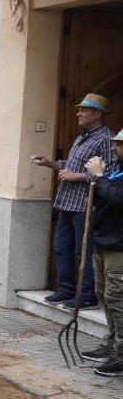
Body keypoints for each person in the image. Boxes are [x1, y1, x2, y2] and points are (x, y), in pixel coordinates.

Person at [33, 93, 116, 309]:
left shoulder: (107, 138)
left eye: (83, 110)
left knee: (85, 250)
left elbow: (112, 172)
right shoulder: (82, 137)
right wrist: (49, 163)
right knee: (62, 247)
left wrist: (78, 176)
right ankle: (66, 289)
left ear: (97, 114)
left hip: (86, 205)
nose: (78, 113)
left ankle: (88, 295)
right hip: (67, 201)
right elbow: (72, 164)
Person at [82, 138, 123, 376]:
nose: (115, 149)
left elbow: (118, 199)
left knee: (118, 302)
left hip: (119, 249)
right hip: (104, 244)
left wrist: (100, 178)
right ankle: (111, 345)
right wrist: (98, 180)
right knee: (104, 297)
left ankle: (120, 354)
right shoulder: (117, 172)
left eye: (120, 145)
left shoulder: (112, 177)